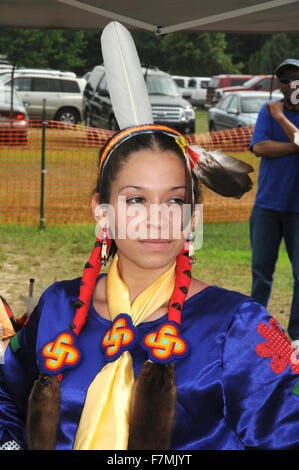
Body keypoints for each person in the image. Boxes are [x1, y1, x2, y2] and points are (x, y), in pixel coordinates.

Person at [1, 123, 299, 451]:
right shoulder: (58, 305)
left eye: (174, 201)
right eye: (137, 199)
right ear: (101, 211)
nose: (157, 218)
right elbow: (8, 394)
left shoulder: (238, 325)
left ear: (193, 217)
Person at [250, 58, 299, 346]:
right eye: (284, 80)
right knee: (261, 271)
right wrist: (294, 145)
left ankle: (296, 336)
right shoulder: (265, 110)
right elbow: (259, 147)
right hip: (268, 204)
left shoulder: (274, 113)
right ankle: (254, 326)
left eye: (295, 78)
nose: (289, 84)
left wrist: (281, 118)